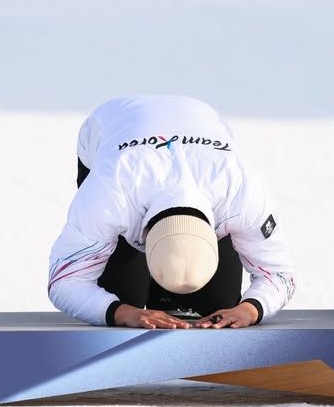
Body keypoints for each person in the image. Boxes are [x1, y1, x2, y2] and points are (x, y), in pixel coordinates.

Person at [48, 95, 296, 329]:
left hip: (199, 117)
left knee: (221, 307)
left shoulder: (241, 193)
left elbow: (280, 273)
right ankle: (145, 292)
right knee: (121, 300)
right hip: (111, 123)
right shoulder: (108, 196)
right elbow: (66, 280)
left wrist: (249, 310)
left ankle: (167, 294)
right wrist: (124, 313)